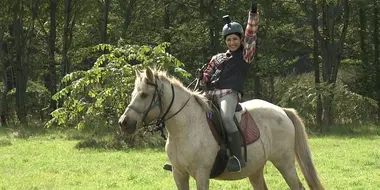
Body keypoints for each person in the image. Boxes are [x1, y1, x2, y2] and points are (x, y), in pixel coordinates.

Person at [201, 0, 259, 173]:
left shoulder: (245, 55)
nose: (232, 42)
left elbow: (251, 35)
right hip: (209, 94)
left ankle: (237, 158)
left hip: (229, 94)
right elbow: (207, 74)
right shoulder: (216, 58)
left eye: (235, 39)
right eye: (229, 39)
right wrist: (203, 78)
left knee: (226, 117)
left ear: (241, 40)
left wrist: (253, 15)